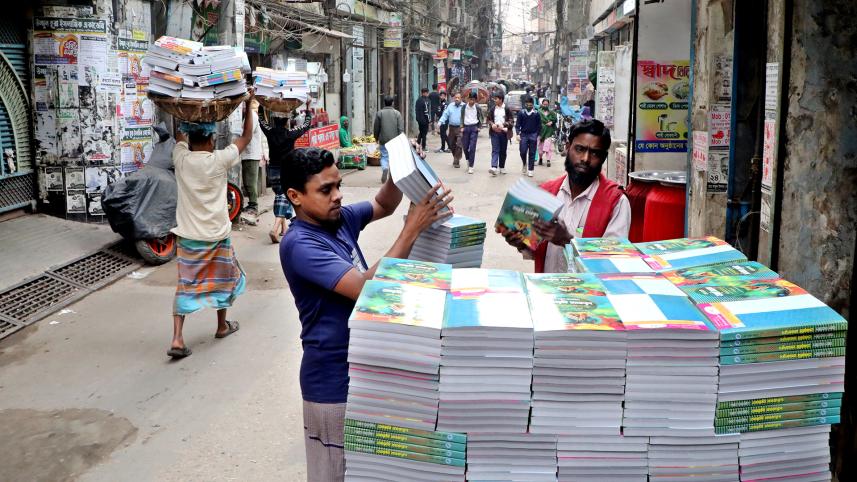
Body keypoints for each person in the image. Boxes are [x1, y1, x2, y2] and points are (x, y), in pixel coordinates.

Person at [279, 147, 453, 482]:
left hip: (361, 371)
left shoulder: (338, 219)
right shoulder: (300, 244)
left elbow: (385, 204)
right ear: (295, 197)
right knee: (334, 475)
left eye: (339, 185)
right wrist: (411, 230)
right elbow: (362, 288)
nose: (338, 196)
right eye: (326, 190)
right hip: (331, 383)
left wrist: (401, 169)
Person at [167, 95, 256, 359]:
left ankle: (177, 338)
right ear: (211, 139)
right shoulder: (219, 160)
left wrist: (179, 105)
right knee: (224, 281)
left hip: (188, 238)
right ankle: (220, 325)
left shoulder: (181, 158)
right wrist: (249, 106)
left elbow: (179, 135)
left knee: (186, 284)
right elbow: (247, 137)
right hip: (217, 235)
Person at [499, 119, 630, 273]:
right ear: (568, 148)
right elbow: (536, 252)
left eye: (594, 153)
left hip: (590, 295)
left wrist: (567, 241)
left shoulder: (616, 202)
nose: (585, 159)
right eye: (579, 149)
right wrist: (520, 243)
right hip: (548, 290)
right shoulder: (545, 193)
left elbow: (614, 264)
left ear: (603, 158)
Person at [261, 99, 314, 244]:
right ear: (286, 122)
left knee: (281, 195)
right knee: (284, 195)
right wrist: (308, 108)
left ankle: (284, 228)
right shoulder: (291, 134)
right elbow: (306, 125)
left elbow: (261, 121)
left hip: (272, 171)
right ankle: (275, 227)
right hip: (286, 169)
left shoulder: (269, 132)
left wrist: (262, 105)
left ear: (275, 121)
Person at [231, 99, 263, 218]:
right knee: (248, 181)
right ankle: (251, 205)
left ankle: (253, 206)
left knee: (250, 182)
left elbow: (245, 133)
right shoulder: (249, 116)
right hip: (248, 154)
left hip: (251, 154)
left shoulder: (253, 116)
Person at [373, 95, 404, 183]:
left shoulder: (380, 113)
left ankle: (385, 168)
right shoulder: (397, 113)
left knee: (384, 156)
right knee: (394, 157)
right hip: (395, 140)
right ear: (392, 103)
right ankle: (392, 175)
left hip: (383, 139)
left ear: (384, 103)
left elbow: (376, 127)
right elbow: (400, 128)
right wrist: (401, 139)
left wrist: (376, 137)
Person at [486, 91, 513, 176]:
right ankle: (494, 166)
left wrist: (504, 125)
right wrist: (492, 124)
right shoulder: (493, 109)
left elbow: (511, 121)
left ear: (501, 99)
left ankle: (502, 166)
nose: (495, 100)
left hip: (503, 132)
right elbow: (488, 119)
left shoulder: (507, 109)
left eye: (496, 99)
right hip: (494, 132)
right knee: (495, 149)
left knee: (503, 150)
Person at [437, 92, 465, 168]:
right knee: (451, 144)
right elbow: (445, 114)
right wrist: (440, 122)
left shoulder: (464, 106)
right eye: (455, 97)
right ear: (453, 98)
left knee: (459, 144)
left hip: (460, 128)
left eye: (458, 98)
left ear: (461, 99)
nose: (457, 99)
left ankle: (457, 160)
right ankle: (456, 156)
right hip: (452, 128)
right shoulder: (450, 106)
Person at [516, 96, 541, 177]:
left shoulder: (536, 114)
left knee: (532, 153)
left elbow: (539, 125)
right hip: (523, 135)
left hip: (533, 134)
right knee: (522, 151)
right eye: (527, 105)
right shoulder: (521, 113)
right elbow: (517, 125)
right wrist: (517, 133)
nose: (529, 107)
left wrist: (537, 134)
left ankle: (531, 169)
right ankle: (524, 163)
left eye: (530, 105)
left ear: (533, 105)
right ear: (525, 105)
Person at [460, 92, 484, 174]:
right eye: (470, 99)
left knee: (472, 148)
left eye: (473, 100)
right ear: (468, 99)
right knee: (465, 147)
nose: (472, 101)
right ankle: (468, 160)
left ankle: (471, 166)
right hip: (466, 128)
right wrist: (462, 127)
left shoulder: (477, 107)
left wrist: (479, 127)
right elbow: (461, 117)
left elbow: (482, 117)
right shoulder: (464, 107)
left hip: (474, 128)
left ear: (475, 100)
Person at [538, 98, 557, 168]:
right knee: (540, 147)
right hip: (540, 132)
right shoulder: (538, 112)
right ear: (542, 104)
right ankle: (540, 158)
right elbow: (536, 121)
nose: (545, 105)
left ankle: (548, 160)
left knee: (548, 146)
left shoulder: (551, 112)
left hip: (549, 131)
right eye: (544, 104)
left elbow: (555, 119)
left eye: (546, 104)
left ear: (548, 105)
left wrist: (551, 122)